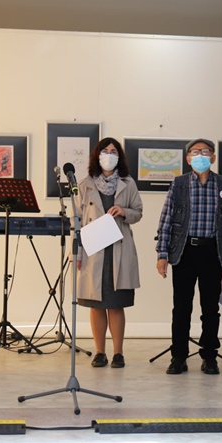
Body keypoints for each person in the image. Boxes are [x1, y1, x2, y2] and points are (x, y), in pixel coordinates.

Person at [156, 138, 222, 375]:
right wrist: (162, 254)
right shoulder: (179, 184)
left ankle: (209, 356)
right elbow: (166, 220)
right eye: (194, 152)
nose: (200, 155)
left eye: (205, 151)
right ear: (187, 158)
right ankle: (178, 356)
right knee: (181, 308)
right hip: (184, 252)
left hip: (213, 252)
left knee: (210, 308)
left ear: (213, 157)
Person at [76, 138, 143, 369]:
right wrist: (76, 254)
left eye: (114, 151)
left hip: (118, 249)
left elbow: (138, 212)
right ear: (97, 155)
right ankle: (100, 352)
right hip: (93, 250)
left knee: (116, 304)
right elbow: (76, 221)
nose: (109, 155)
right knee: (96, 304)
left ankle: (118, 353)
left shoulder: (128, 183)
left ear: (119, 157)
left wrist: (124, 211)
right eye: (105, 151)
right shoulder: (84, 184)